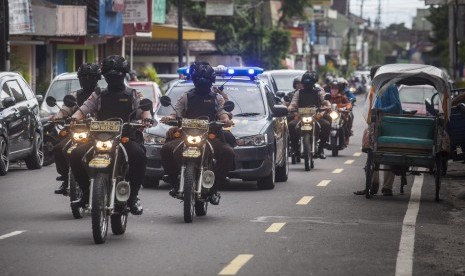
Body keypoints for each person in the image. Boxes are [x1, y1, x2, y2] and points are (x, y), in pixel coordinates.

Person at [69, 55, 153, 215]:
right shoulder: (98, 94)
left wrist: (146, 119)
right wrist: (74, 118)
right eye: (110, 72)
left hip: (125, 139)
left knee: (140, 155)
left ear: (124, 73)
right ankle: (86, 193)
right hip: (99, 139)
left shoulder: (133, 94)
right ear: (104, 75)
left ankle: (133, 197)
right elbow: (83, 110)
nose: (114, 75)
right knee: (75, 154)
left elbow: (144, 111)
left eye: (118, 72)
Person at [159, 61, 235, 205]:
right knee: (166, 149)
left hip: (212, 137)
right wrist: (170, 118)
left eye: (205, 80)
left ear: (211, 80)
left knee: (228, 153)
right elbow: (176, 113)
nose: (202, 83)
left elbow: (223, 112)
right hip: (186, 136)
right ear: (194, 80)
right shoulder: (186, 96)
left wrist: (225, 120)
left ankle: (214, 188)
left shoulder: (217, 98)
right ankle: (175, 182)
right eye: (199, 79)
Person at [52, 63, 101, 195]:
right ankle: (65, 177)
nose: (86, 79)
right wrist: (57, 117)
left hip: (99, 134)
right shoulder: (74, 96)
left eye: (90, 76)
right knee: (58, 148)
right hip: (78, 133)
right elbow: (64, 110)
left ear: (97, 78)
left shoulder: (102, 94)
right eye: (83, 76)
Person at [354, 65, 402, 196]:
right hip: (377, 124)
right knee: (371, 154)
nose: (373, 79)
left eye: (374, 76)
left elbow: (396, 106)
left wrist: (382, 111)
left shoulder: (390, 87)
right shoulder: (376, 89)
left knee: (388, 155)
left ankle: (387, 187)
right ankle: (371, 185)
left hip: (390, 124)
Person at [287, 71, 330, 159]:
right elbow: (293, 103)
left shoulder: (319, 92)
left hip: (316, 117)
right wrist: (290, 107)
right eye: (306, 83)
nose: (308, 85)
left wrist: (327, 106)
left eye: (310, 82)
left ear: (314, 82)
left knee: (327, 124)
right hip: (300, 117)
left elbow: (325, 101)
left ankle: (321, 149)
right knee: (291, 125)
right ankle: (295, 149)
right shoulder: (298, 92)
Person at [327, 80, 353, 146]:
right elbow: (322, 104)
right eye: (332, 88)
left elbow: (348, 104)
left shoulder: (342, 97)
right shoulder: (327, 97)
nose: (334, 90)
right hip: (329, 115)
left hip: (340, 115)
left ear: (339, 90)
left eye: (336, 88)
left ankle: (346, 136)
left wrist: (347, 107)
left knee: (345, 122)